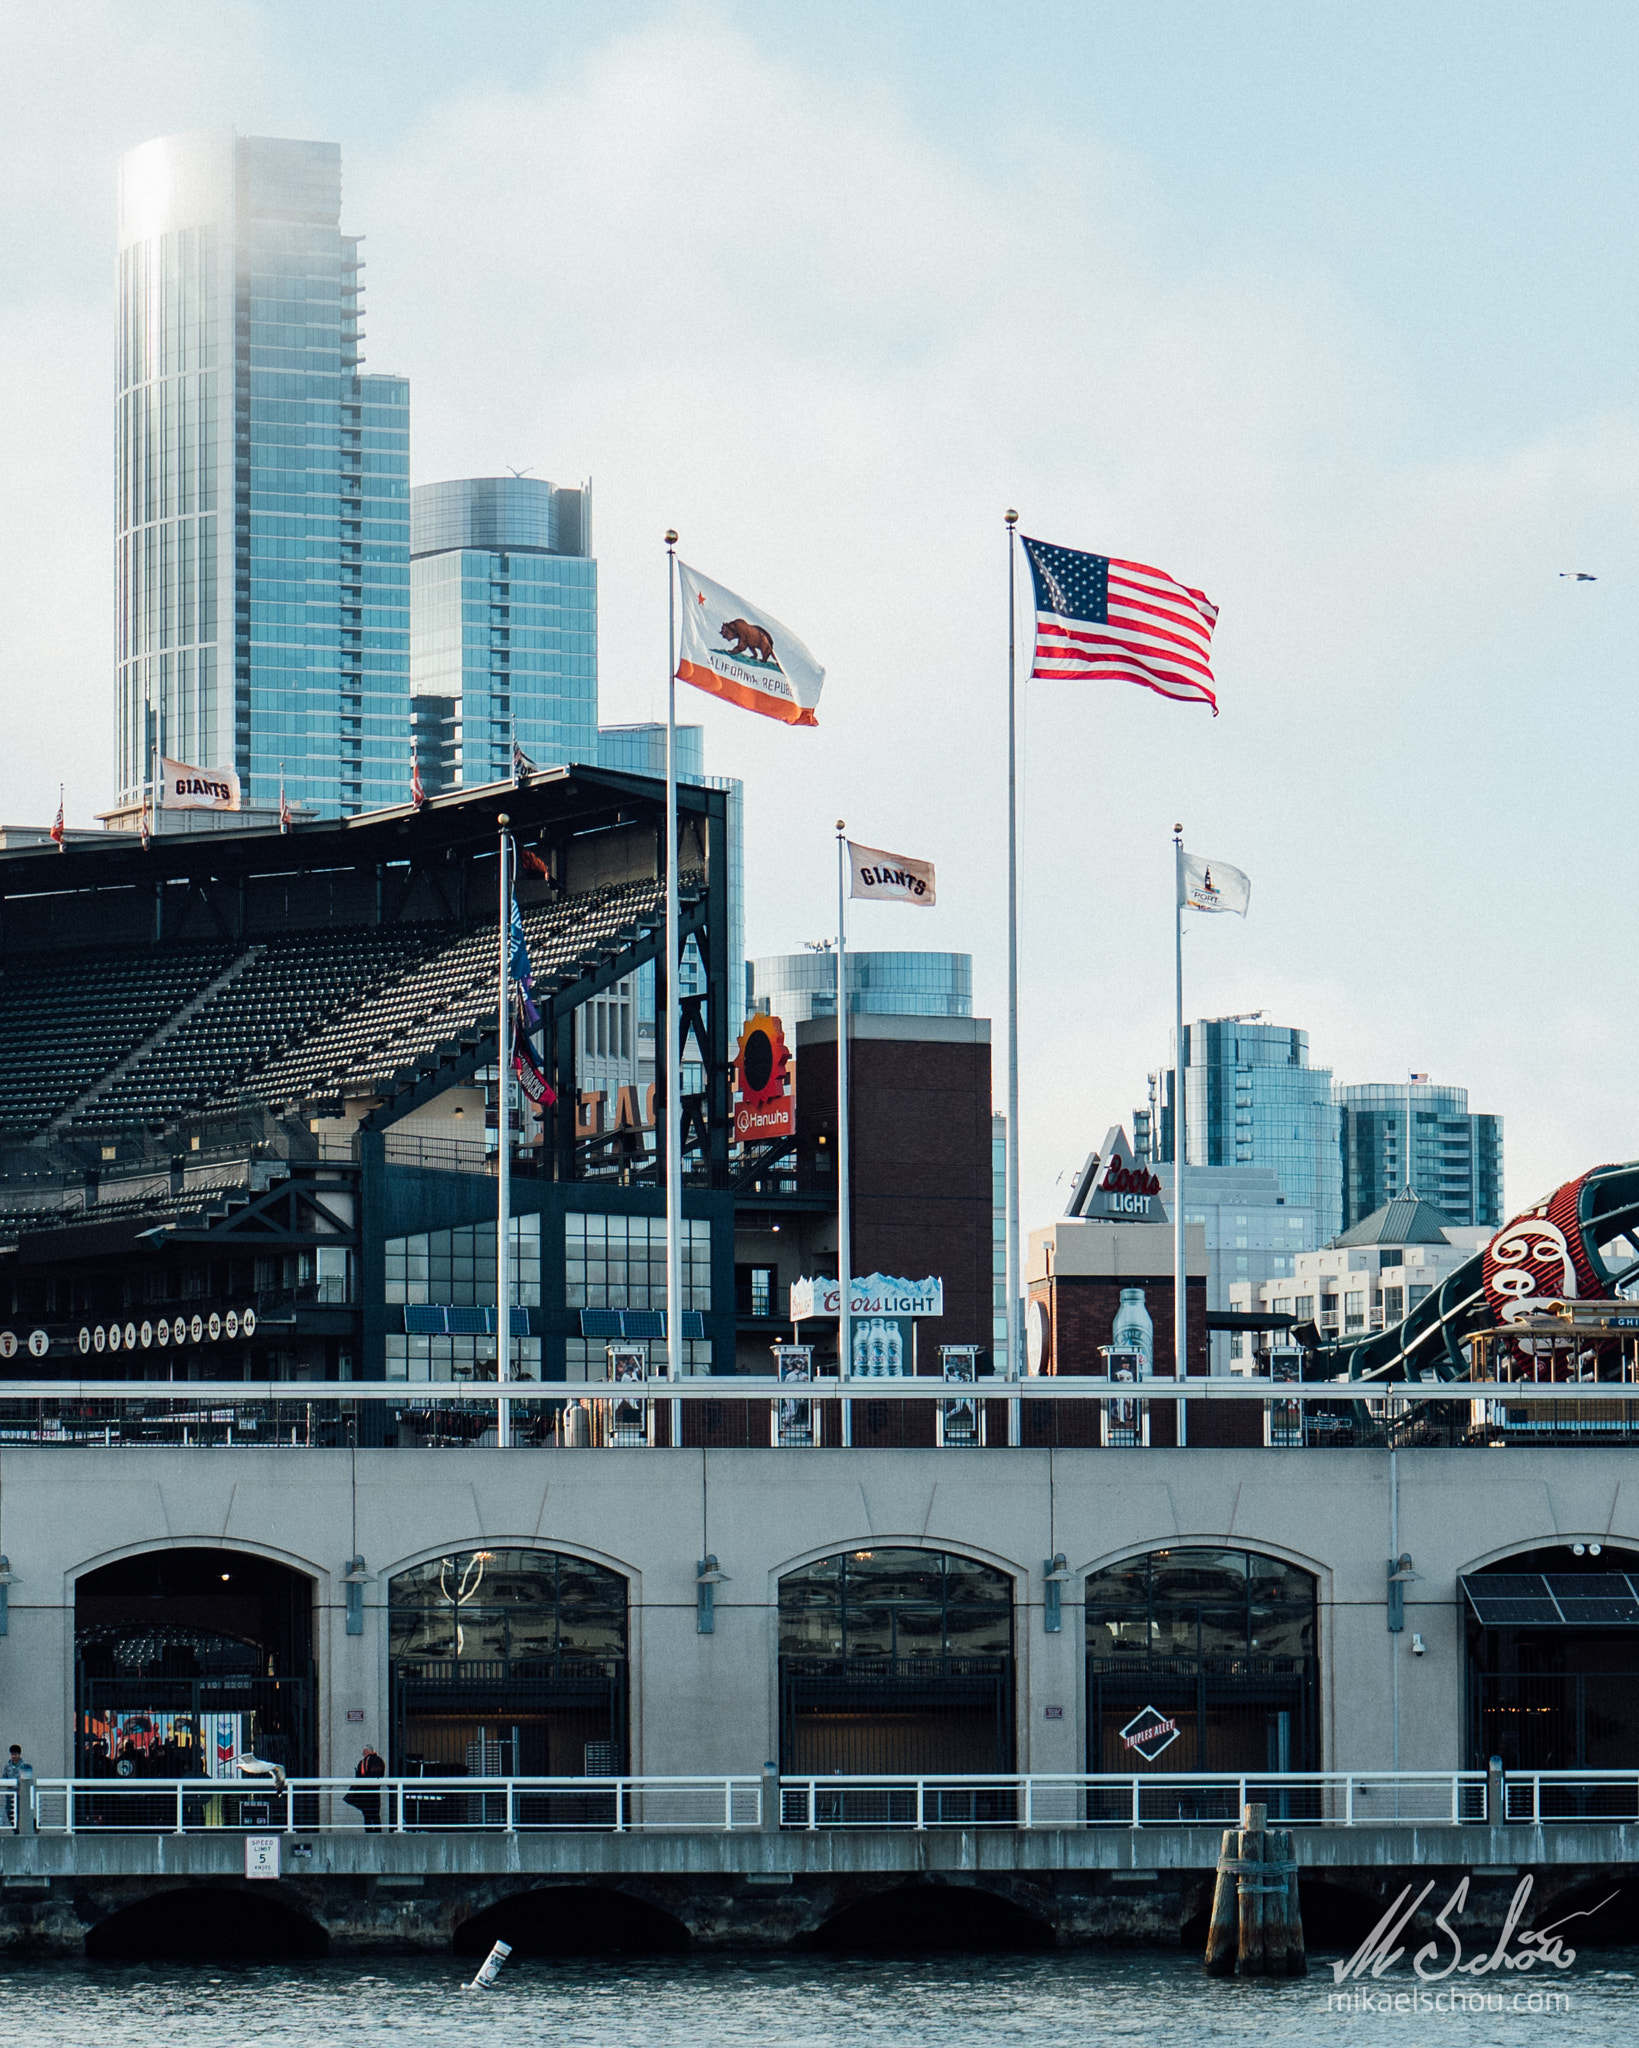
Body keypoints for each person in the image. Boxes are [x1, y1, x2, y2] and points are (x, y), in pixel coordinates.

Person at [345, 1742, 386, 1831]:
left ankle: (369, 1832)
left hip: (365, 1792)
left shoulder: (364, 1761)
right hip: (376, 1791)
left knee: (367, 1814)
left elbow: (360, 1776)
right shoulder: (380, 1760)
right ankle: (378, 1831)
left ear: (366, 1751)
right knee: (376, 1813)